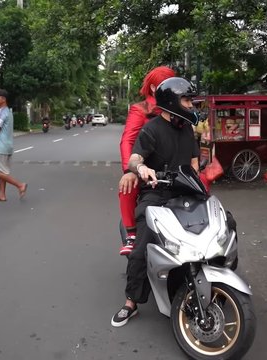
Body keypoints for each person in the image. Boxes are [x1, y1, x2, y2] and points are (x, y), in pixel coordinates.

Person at [111, 77, 200, 327]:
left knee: (225, 224)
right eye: (187, 99)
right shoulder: (151, 129)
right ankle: (131, 301)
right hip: (157, 195)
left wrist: (201, 180)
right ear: (173, 102)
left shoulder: (188, 131)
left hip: (185, 195)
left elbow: (194, 165)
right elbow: (134, 158)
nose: (191, 105)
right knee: (142, 247)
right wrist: (140, 169)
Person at [118, 66, 176, 256]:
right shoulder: (140, 110)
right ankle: (131, 234)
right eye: (164, 85)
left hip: (172, 165)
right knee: (128, 185)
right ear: (152, 88)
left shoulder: (177, 108)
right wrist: (130, 170)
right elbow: (127, 140)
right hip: (144, 164)